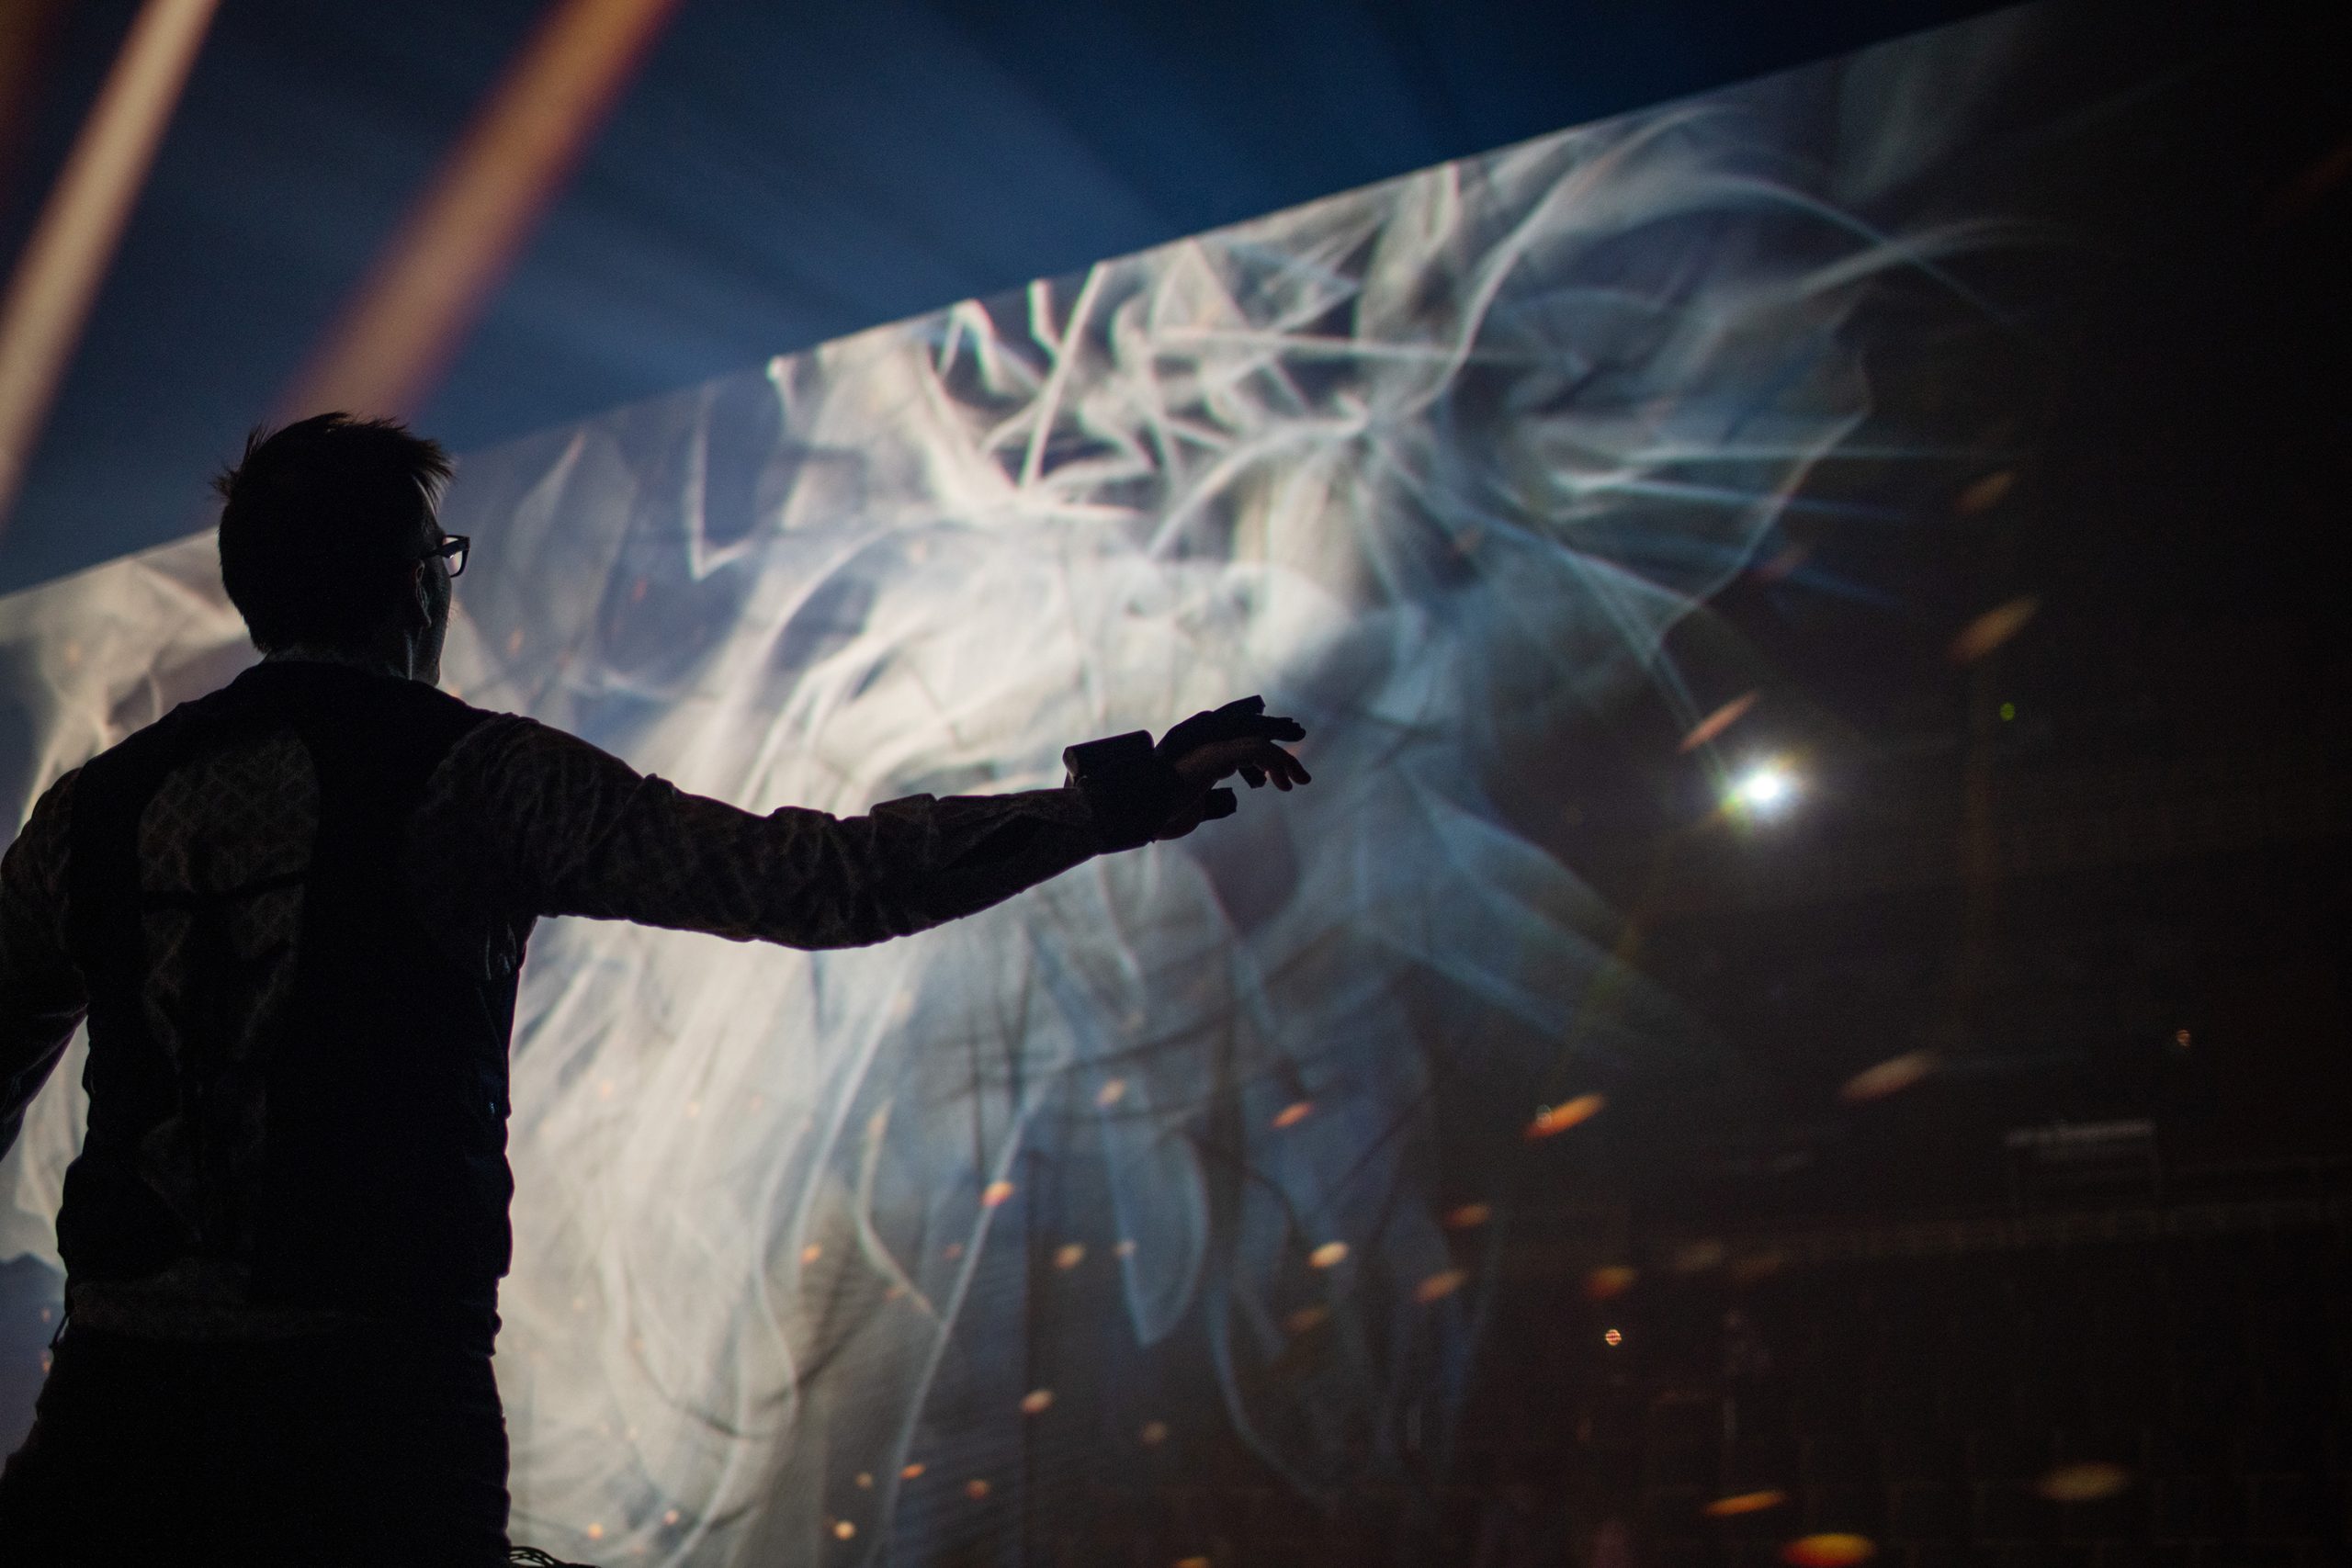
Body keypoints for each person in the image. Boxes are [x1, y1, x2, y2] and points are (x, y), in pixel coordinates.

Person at [0, 412, 1310, 1565]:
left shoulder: (91, 814)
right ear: (416, 587)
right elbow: (811, 882)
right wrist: (1110, 802)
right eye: (445, 561)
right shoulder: (477, 777)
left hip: (120, 1419)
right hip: (372, 1415)